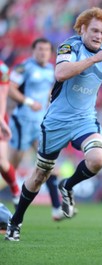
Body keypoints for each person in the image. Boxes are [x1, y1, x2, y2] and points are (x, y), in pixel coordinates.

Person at [5, 7, 102, 241]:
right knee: (41, 174)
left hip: (85, 120)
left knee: (98, 160)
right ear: (82, 29)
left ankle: (68, 186)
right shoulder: (69, 47)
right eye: (94, 30)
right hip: (56, 122)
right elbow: (61, 73)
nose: (99, 36)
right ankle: (16, 220)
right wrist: (95, 58)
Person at [7, 38, 66, 221]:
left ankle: (56, 208)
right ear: (33, 50)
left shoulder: (51, 70)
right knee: (9, 166)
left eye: (46, 50)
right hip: (22, 122)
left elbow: (49, 92)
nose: (43, 53)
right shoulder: (23, 68)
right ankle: (15, 196)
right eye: (40, 49)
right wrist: (28, 101)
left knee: (48, 164)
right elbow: (9, 88)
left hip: (41, 124)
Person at [0, 60, 19, 208]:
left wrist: (1, 120)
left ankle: (15, 189)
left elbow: (3, 95)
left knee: (2, 161)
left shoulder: (2, 68)